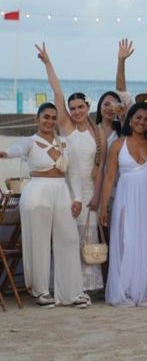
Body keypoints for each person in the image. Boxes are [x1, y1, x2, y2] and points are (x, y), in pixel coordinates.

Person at [0, 102, 89, 308]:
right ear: (37, 119)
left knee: (69, 239)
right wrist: (5, 154)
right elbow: (17, 149)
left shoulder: (65, 143)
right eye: (45, 117)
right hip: (37, 192)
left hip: (61, 191)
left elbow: (73, 173)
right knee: (38, 242)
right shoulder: (29, 141)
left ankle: (71, 292)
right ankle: (41, 291)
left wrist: (77, 199)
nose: (49, 121)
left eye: (53, 117)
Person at [37, 42, 106, 294]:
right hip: (66, 189)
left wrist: (98, 197)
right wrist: (47, 62)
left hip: (90, 192)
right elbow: (57, 92)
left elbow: (101, 168)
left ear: (88, 108)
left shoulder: (98, 133)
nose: (76, 111)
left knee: (87, 239)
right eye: (73, 108)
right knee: (67, 238)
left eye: (81, 107)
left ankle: (85, 288)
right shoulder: (65, 126)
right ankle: (66, 285)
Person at [99, 103, 147, 307]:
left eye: (146, 119)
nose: (141, 122)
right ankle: (125, 290)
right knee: (127, 241)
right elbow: (109, 178)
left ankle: (144, 290)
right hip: (126, 198)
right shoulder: (119, 144)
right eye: (138, 117)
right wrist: (103, 207)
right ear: (130, 119)